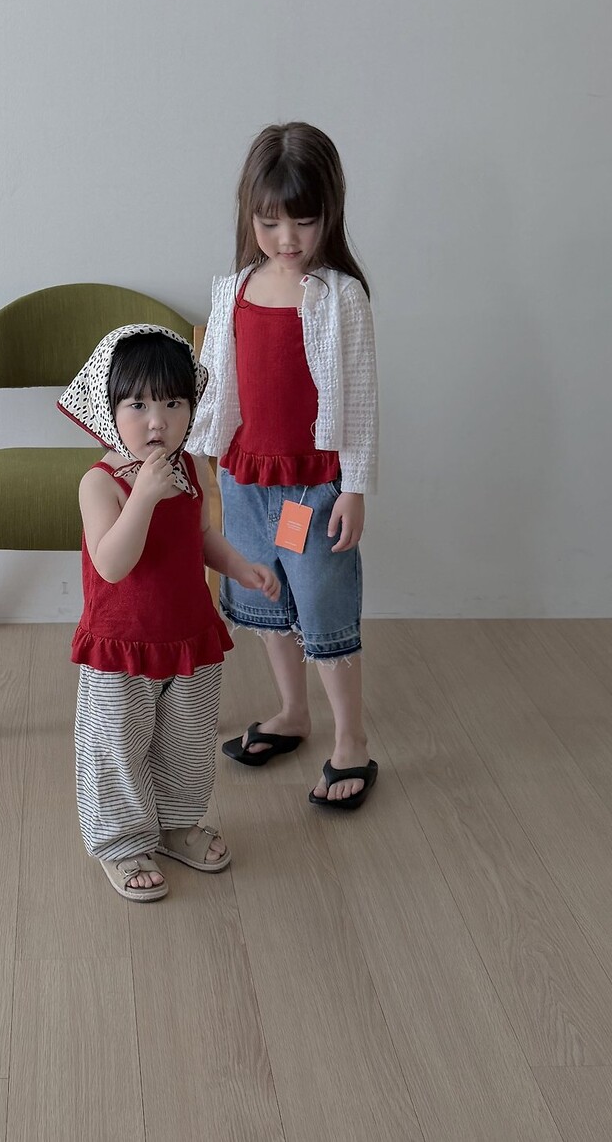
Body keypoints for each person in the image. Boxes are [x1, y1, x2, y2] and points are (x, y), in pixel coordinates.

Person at [188, 122, 379, 809]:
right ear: (250, 215)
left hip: (309, 488)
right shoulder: (236, 288)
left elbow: (359, 399)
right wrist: (201, 456)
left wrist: (354, 487)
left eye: (303, 221)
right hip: (247, 480)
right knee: (267, 598)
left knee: (321, 606)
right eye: (270, 223)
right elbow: (215, 381)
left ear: (330, 213)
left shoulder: (339, 297)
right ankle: (293, 713)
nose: (287, 238)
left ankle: (350, 740)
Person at [58, 324, 280, 902]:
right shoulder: (100, 484)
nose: (157, 421)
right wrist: (143, 497)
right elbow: (112, 564)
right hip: (122, 644)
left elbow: (200, 537)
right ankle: (122, 841)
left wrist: (241, 567)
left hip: (187, 636)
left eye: (173, 403)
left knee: (187, 740)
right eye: (138, 405)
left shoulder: (191, 470)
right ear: (108, 408)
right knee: (118, 745)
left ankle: (177, 824)